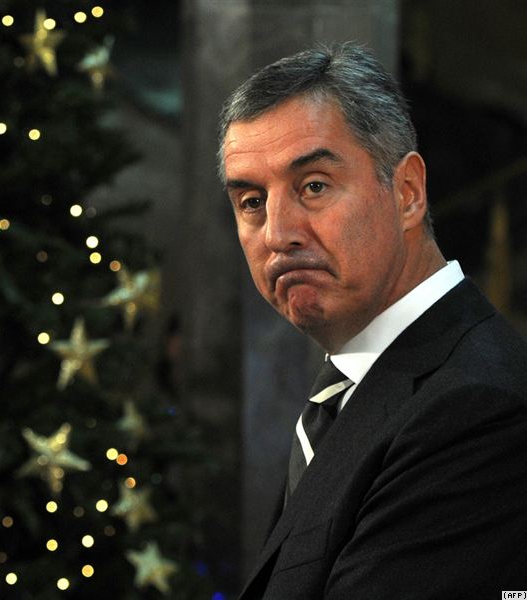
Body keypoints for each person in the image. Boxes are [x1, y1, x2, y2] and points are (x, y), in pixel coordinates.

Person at [219, 42, 527, 599]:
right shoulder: (351, 388)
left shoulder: (476, 406)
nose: (277, 234)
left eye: (314, 186)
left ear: (407, 193)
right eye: (252, 202)